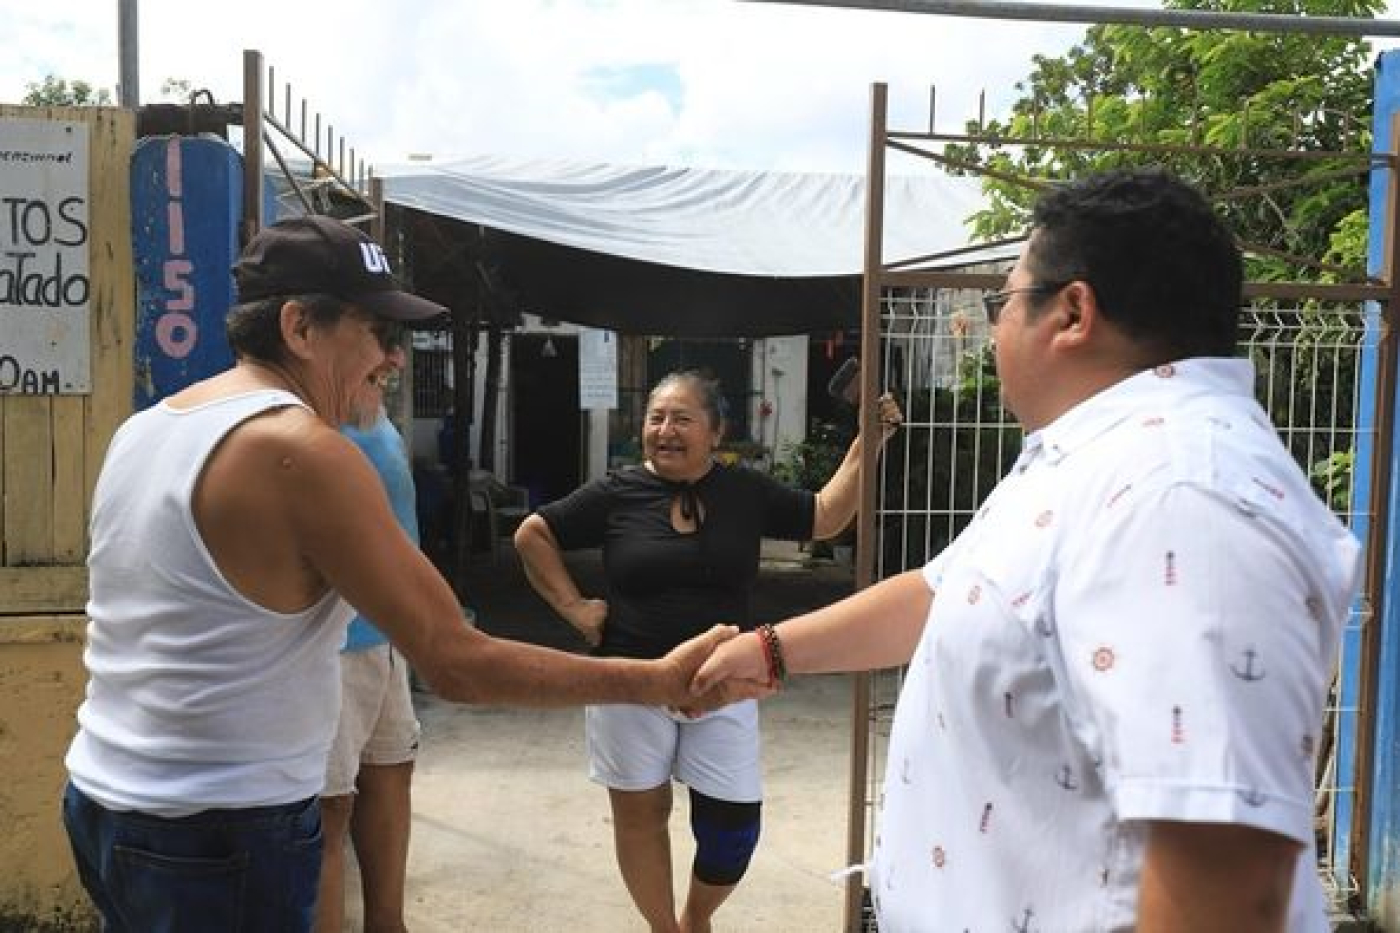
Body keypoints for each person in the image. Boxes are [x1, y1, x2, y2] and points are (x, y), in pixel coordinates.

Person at [691, 168, 1362, 932]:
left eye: (1001, 300)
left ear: (1073, 311)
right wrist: (770, 651)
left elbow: (1227, 883)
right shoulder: (1087, 457)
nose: (990, 326)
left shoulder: (1180, 497)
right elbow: (948, 591)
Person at [60, 214, 745, 933]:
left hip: (105, 802)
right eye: (377, 333)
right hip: (218, 831)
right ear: (298, 327)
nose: (392, 359)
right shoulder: (303, 450)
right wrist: (656, 680)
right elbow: (457, 662)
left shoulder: (148, 426)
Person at [513, 370, 902, 933]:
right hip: (629, 680)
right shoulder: (617, 491)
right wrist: (574, 608)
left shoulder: (744, 491)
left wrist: (871, 441)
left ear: (716, 433)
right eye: (655, 417)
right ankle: (664, 929)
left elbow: (824, 517)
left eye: (682, 418)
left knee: (733, 825)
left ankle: (696, 917)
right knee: (641, 818)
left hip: (725, 683)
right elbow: (533, 533)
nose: (665, 429)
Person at [313, 346, 418, 933]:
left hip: (387, 634)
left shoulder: (364, 405)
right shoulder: (304, 421)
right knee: (331, 809)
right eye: (374, 334)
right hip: (333, 646)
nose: (397, 356)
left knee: (390, 775)